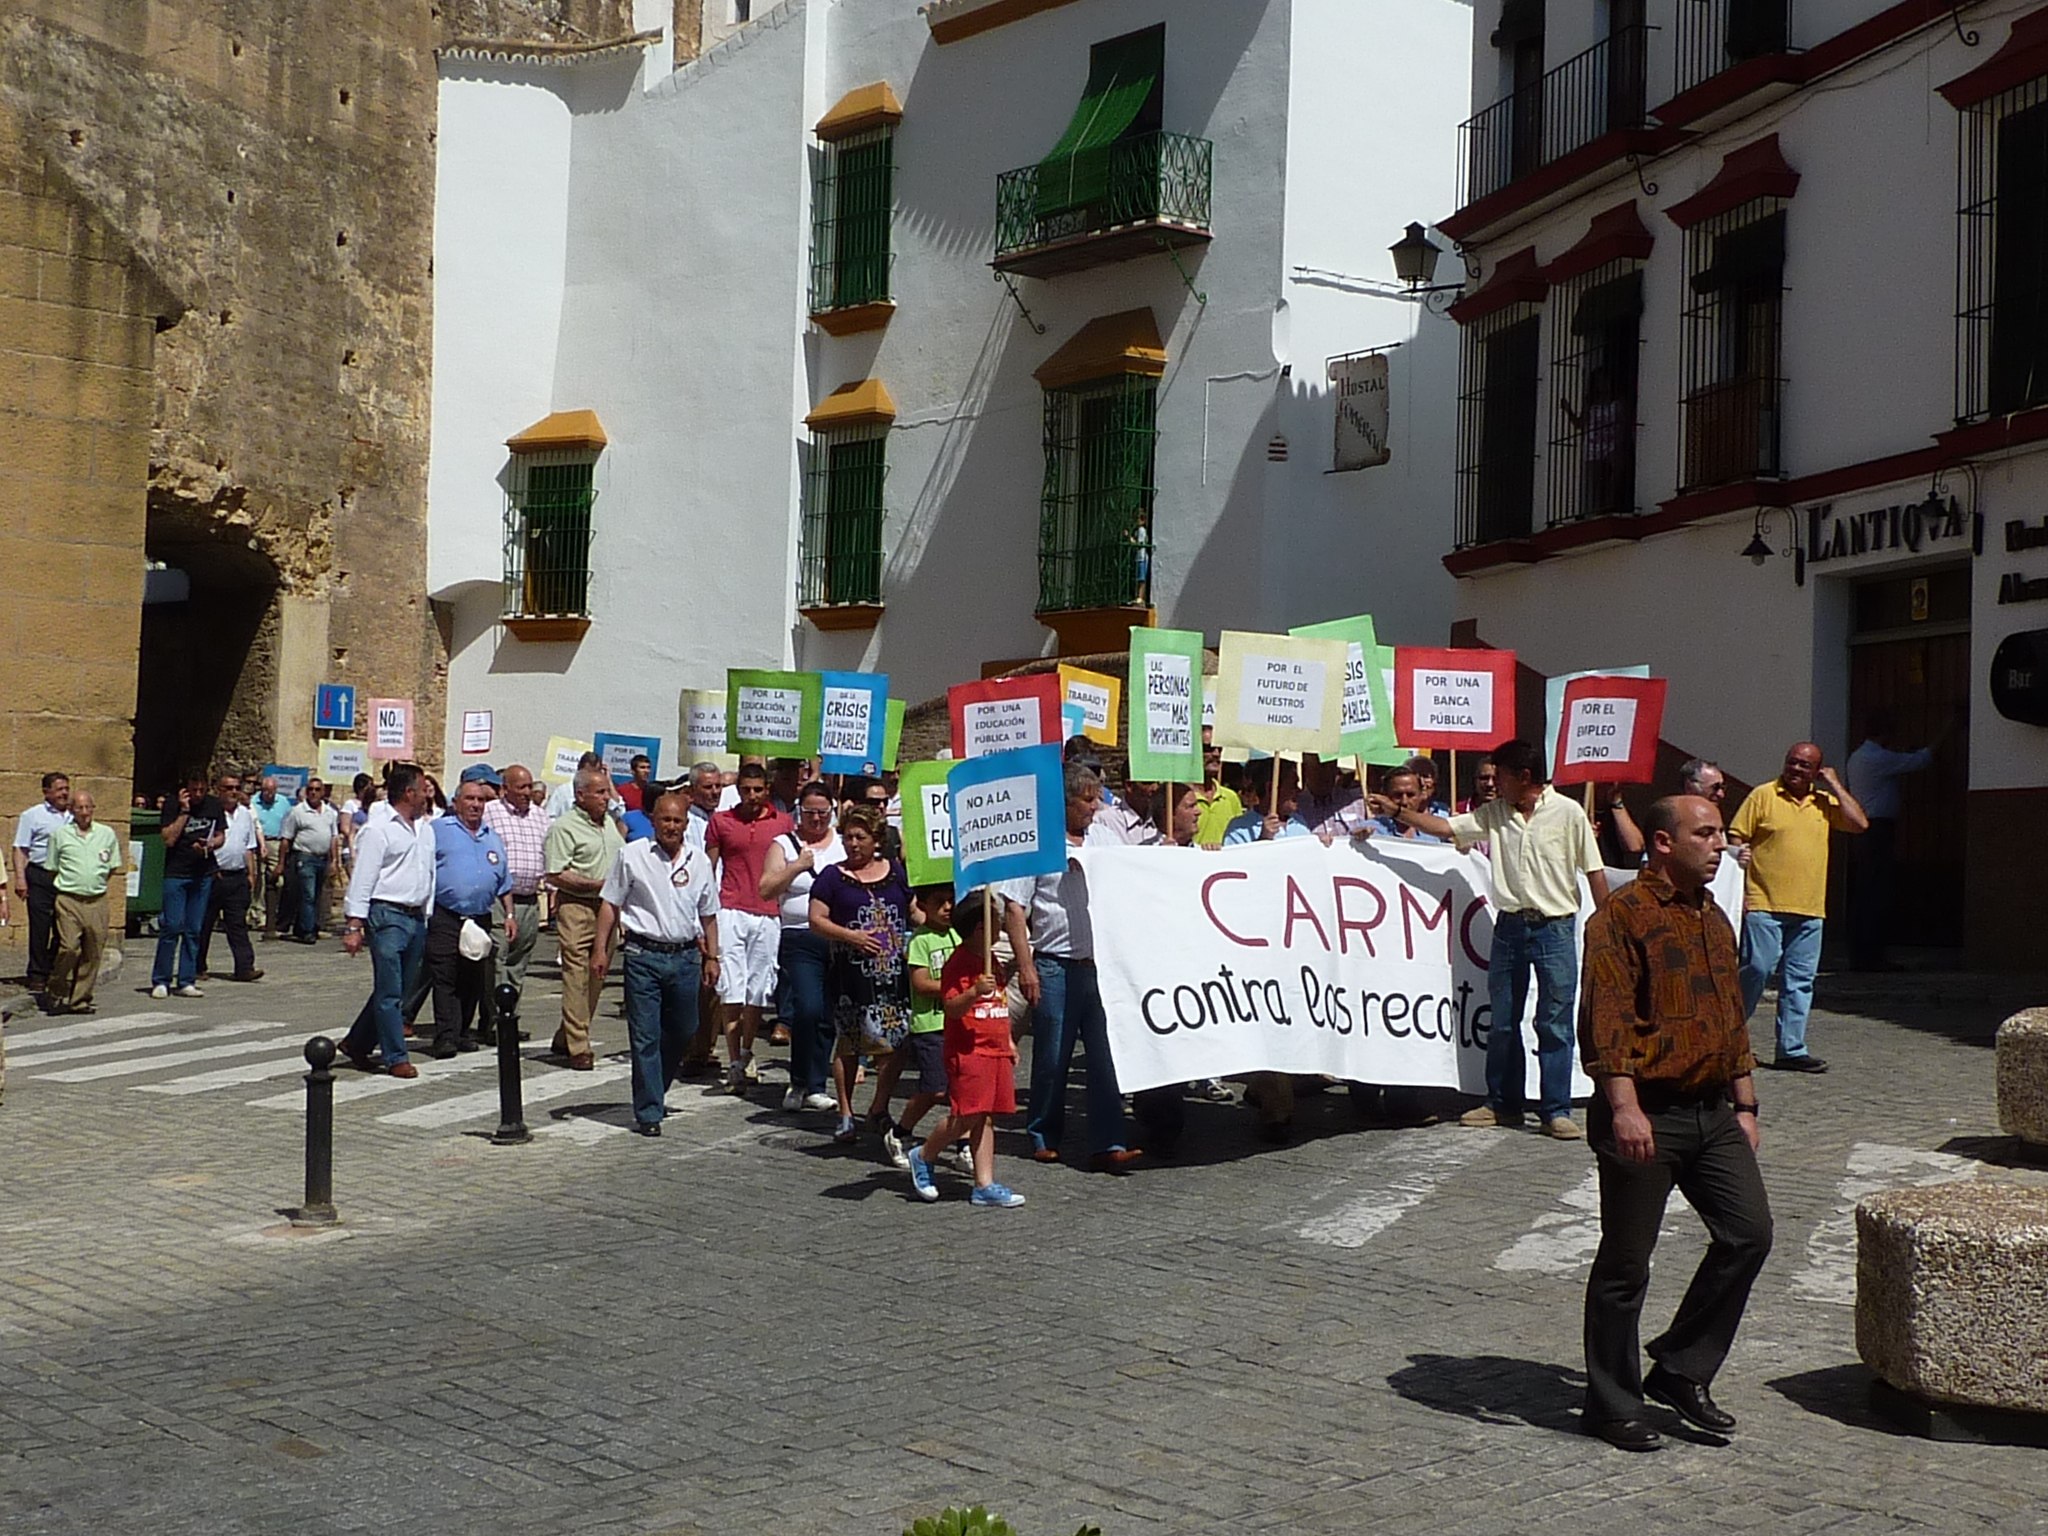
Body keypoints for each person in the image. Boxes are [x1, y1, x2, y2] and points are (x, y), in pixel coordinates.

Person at [1578, 795, 1772, 1452]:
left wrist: (1745, 1105)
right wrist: (1625, 1107)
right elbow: (1606, 1022)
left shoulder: (1711, 914)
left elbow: (1731, 1017)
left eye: (1720, 834)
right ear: (1663, 842)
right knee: (1626, 1265)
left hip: (1712, 1112)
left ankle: (1682, 1369)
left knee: (1749, 1233)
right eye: (1706, 833)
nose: (1720, 844)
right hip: (1645, 1113)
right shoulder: (1621, 917)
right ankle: (1611, 1404)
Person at [1378, 738, 1610, 1140]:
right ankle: (1503, 1102)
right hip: (1509, 926)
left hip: (1555, 929)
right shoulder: (1494, 813)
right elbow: (1446, 827)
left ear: (1523, 777)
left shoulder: (1568, 813)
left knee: (1553, 1021)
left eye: (1500, 775)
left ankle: (1555, 1109)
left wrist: (1609, 925)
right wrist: (1398, 811)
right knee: (1503, 1020)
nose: (1493, 784)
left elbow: (1593, 870)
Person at [1007, 760, 1141, 1171]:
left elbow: (1136, 875)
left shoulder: (1103, 837)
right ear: (1063, 802)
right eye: (1086, 799)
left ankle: (1109, 1140)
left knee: (1105, 1057)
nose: (1095, 807)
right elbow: (1014, 908)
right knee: (1052, 1056)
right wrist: (1026, 967)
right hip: (1054, 964)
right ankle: (1044, 1133)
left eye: (1097, 797)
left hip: (1100, 965)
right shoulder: (1038, 844)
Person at [1726, 743, 1869, 1073]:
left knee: (1800, 981)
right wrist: (1739, 888)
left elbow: (1859, 823)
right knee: (1757, 970)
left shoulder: (1823, 803)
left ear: (1816, 771)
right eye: (1792, 762)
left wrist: (1834, 785)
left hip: (1809, 908)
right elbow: (1736, 840)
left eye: (1805, 765)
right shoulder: (1763, 795)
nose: (1796, 769)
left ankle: (1791, 1048)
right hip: (1764, 902)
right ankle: (1729, 1037)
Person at [593, 790, 721, 1137]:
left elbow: (708, 914)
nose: (671, 826)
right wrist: (600, 950)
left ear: (686, 823)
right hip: (642, 956)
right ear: (653, 821)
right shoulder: (631, 855)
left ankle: (656, 1088)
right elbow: (610, 904)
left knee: (684, 1028)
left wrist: (712, 955)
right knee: (645, 1036)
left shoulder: (698, 861)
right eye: (665, 819)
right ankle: (649, 1111)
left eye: (678, 820)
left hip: (684, 957)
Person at [907, 890, 1026, 1208]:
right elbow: (952, 1007)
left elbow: (998, 1005)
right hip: (969, 1050)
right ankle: (924, 1154)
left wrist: (1009, 1041)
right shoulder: (959, 963)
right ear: (980, 929)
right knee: (967, 1114)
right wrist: (974, 990)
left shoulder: (993, 961)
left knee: (985, 1117)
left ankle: (984, 1183)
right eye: (997, 923)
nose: (1001, 929)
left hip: (994, 1046)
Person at [808, 803, 915, 1143]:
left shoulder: (895, 872)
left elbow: (912, 910)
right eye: (848, 837)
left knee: (896, 1043)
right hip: (850, 976)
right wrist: (851, 936)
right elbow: (816, 920)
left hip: (892, 975)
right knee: (851, 1043)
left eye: (860, 837)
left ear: (876, 839)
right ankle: (845, 1112)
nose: (853, 844)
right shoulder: (832, 878)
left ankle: (879, 1106)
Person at [338, 763, 436, 1079]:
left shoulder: (426, 828)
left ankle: (356, 1042)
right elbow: (363, 878)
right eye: (423, 788)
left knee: (396, 989)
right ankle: (395, 1056)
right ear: (409, 792)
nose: (427, 794)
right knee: (391, 991)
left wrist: (427, 914)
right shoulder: (378, 829)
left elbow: (428, 875)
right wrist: (354, 924)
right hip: (387, 914)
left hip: (415, 916)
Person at [705, 761, 794, 1093]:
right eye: (746, 790)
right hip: (730, 910)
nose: (752, 796)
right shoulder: (721, 822)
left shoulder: (784, 823)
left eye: (758, 790)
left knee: (758, 988)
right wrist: (705, 917)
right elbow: (707, 867)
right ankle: (735, 1063)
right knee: (731, 987)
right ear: (738, 790)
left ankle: (746, 1050)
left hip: (769, 913)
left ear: (766, 790)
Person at [759, 782, 843, 1113]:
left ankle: (816, 1084)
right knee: (806, 1008)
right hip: (799, 937)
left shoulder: (841, 843)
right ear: (800, 812)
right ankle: (798, 1078)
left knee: (827, 1013)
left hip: (836, 937)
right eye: (810, 813)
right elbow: (766, 889)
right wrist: (796, 866)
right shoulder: (784, 844)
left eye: (823, 812)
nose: (817, 819)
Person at [1845, 709, 1945, 971]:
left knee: (1868, 889)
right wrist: (1948, 729)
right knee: (1876, 891)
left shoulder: (1860, 756)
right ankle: (1871, 956)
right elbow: (1922, 760)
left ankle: (1863, 953)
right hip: (1877, 828)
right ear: (1885, 733)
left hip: (1868, 828)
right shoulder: (1877, 758)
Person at [424, 777, 515, 1059]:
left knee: (472, 979)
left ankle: (463, 1032)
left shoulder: (492, 836)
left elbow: (504, 881)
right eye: (470, 799)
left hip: (480, 918)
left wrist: (509, 914)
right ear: (456, 802)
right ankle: (445, 1036)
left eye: (480, 800)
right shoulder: (438, 829)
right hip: (446, 915)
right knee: (445, 977)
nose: (476, 805)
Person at [543, 765, 626, 1071]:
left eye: (607, 791)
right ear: (581, 795)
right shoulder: (564, 827)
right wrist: (594, 884)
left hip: (608, 909)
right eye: (601, 792)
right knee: (576, 975)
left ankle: (567, 1034)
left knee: (597, 975)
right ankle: (579, 1045)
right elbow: (555, 872)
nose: (607, 798)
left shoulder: (610, 826)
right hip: (577, 906)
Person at [481, 763, 550, 1032]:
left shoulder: (540, 816)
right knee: (498, 958)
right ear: (505, 788)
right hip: (501, 900)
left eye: (529, 786)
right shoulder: (491, 813)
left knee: (519, 962)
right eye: (521, 787)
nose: (527, 792)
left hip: (531, 898)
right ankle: (496, 1020)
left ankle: (511, 1016)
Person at [41, 791, 123, 1016]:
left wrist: (94, 884)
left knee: (93, 951)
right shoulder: (60, 835)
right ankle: (56, 989)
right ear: (72, 810)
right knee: (68, 947)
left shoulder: (106, 834)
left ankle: (80, 999)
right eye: (80, 808)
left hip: (96, 900)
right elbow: (52, 868)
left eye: (88, 807)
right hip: (69, 900)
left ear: (93, 808)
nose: (85, 813)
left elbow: (113, 866)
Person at [897, 884, 961, 1166]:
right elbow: (921, 983)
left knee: (963, 1089)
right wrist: (958, 988)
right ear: (923, 905)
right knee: (935, 1089)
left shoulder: (959, 935)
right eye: (940, 902)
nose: (948, 908)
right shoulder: (921, 940)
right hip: (930, 1025)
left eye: (951, 901)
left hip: (958, 1023)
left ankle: (963, 1145)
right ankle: (901, 1132)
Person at [151, 774, 225, 1000]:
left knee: (194, 929)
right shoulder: (173, 804)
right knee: (172, 926)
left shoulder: (213, 805)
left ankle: (186, 979)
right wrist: (184, 812)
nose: (198, 794)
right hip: (176, 872)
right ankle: (161, 980)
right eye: (194, 790)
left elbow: (221, 835)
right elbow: (168, 839)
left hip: (202, 873)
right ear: (186, 790)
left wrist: (211, 844)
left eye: (202, 789)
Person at [197, 771, 264, 983]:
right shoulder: (210, 812)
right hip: (213, 875)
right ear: (218, 790)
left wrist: (251, 874)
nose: (234, 792)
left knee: (237, 924)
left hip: (237, 877)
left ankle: (244, 967)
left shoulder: (245, 814)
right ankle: (197, 967)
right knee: (204, 923)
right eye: (229, 788)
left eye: (237, 787)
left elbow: (249, 847)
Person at [11, 772, 72, 996]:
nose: (64, 793)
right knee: (40, 927)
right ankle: (37, 974)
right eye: (59, 789)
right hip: (40, 875)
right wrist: (20, 878)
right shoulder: (32, 816)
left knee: (65, 928)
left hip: (66, 877)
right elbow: (20, 847)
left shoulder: (74, 815)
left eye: (66, 788)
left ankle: (55, 969)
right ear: (46, 792)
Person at [277, 778, 342, 942]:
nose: (313, 792)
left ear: (323, 793)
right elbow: (286, 838)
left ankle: (302, 926)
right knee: (308, 894)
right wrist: (281, 862)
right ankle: (308, 931)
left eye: (317, 789)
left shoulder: (330, 813)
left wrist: (335, 860)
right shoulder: (297, 811)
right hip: (305, 857)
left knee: (316, 895)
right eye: (310, 789)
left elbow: (334, 837)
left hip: (322, 858)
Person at [249, 774, 294, 937]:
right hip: (257, 843)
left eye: (272, 791)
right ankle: (258, 916)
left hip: (276, 842)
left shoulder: (283, 802)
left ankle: (275, 912)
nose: (268, 794)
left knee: (279, 880)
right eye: (265, 790)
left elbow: (290, 822)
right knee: (258, 879)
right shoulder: (254, 802)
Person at [1191, 733, 1243, 849]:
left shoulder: (1231, 797)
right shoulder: (1181, 798)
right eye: (1208, 749)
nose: (1216, 754)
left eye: (1219, 749)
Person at [1370, 768, 1445, 842]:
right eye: (1397, 795)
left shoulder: (1433, 833)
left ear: (1421, 795)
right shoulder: (1371, 830)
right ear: (1385, 795)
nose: (1404, 802)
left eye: (1410, 795)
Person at [1098, 777, 1164, 846]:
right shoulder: (1105, 821)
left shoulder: (1164, 819)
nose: (1155, 788)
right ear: (1129, 786)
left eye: (1158, 783)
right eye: (1148, 783)